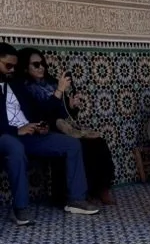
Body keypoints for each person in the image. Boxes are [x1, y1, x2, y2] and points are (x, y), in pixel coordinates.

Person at [0, 43, 99, 224]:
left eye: (14, 66)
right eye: (8, 65)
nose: (12, 70)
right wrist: (16, 130)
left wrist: (40, 125)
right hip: (6, 136)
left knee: (71, 144)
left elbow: (39, 111)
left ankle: (76, 199)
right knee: (14, 147)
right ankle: (21, 208)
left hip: (28, 135)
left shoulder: (17, 85)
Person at [17, 47, 116, 205]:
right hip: (44, 130)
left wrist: (71, 106)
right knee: (78, 146)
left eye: (42, 63)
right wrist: (59, 91)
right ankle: (75, 195)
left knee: (98, 143)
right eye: (35, 64)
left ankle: (100, 187)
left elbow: (63, 114)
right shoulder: (24, 88)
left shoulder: (51, 83)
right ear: (25, 67)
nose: (41, 67)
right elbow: (41, 114)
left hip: (63, 127)